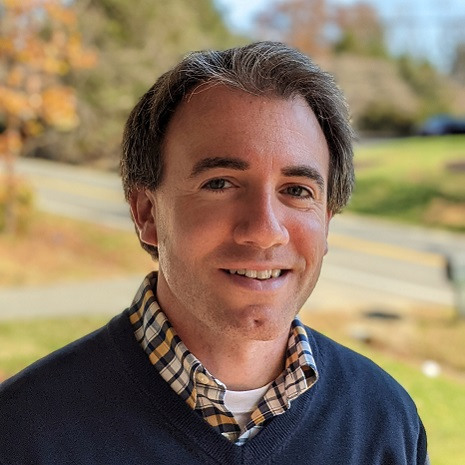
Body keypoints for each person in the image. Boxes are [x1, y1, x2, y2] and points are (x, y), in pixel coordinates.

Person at [0, 41, 428, 464]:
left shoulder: (385, 422)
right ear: (147, 213)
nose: (265, 232)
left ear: (327, 220)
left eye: (297, 191)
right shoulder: (22, 432)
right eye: (220, 183)